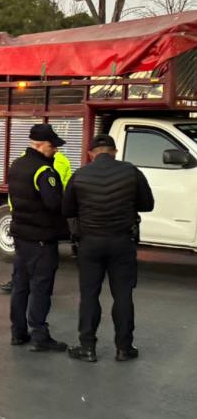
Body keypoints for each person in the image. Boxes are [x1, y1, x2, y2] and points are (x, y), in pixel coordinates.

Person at [63, 135, 154, 362]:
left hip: (90, 243)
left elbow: (67, 209)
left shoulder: (79, 175)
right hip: (122, 242)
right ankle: (124, 348)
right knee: (123, 295)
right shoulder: (131, 172)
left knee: (89, 296)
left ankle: (87, 348)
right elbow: (148, 204)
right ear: (114, 151)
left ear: (91, 154)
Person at [8, 124, 68, 352]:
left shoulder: (17, 165)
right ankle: (40, 335)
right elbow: (54, 203)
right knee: (41, 287)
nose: (56, 151)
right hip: (42, 239)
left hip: (21, 235)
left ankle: (18, 332)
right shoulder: (44, 171)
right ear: (41, 145)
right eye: (53, 147)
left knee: (20, 286)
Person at [0, 150, 72, 294]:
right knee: (44, 258)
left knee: (23, 257)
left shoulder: (22, 158)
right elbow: (67, 188)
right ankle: (41, 288)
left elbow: (16, 188)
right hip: (46, 219)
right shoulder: (63, 160)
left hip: (25, 217)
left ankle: (20, 285)